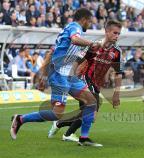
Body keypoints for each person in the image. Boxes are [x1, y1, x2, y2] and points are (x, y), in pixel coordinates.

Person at [10, 8, 102, 147]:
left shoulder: (70, 30)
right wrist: (91, 43)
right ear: (84, 20)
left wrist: (43, 75)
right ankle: (21, 119)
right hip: (59, 74)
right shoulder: (74, 27)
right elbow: (75, 40)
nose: (90, 25)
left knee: (91, 101)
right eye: (89, 22)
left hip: (68, 75)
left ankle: (84, 138)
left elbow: (54, 53)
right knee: (57, 114)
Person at [47, 20, 123, 142]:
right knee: (91, 111)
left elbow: (119, 74)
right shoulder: (94, 46)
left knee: (89, 116)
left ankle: (60, 124)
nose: (117, 36)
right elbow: (78, 60)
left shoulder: (117, 52)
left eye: (119, 33)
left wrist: (116, 95)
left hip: (97, 85)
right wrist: (71, 76)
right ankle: (69, 135)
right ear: (106, 32)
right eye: (115, 33)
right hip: (85, 80)